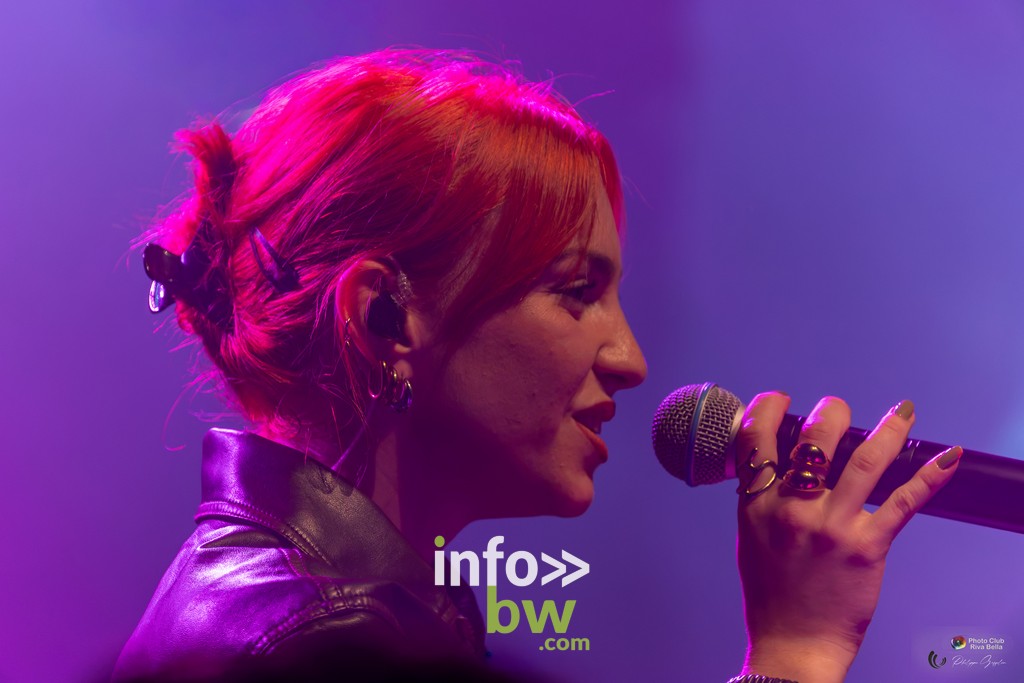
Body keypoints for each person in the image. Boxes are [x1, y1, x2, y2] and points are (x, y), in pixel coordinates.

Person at [113, 49, 961, 683]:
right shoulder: (323, 641)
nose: (631, 360)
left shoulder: (323, 604)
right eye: (576, 291)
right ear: (385, 315)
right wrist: (794, 653)